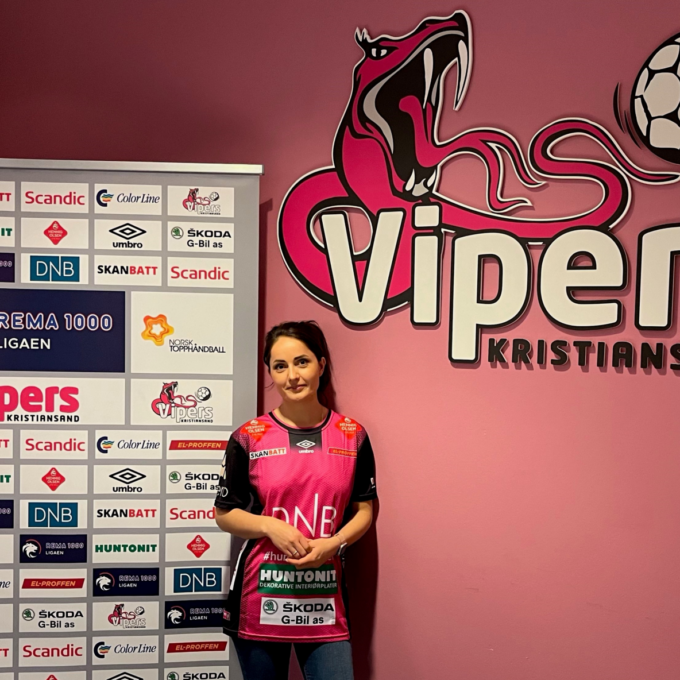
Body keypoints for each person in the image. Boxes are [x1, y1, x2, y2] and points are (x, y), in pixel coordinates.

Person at [214, 320, 377, 680]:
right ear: (270, 372)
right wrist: (270, 526)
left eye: (302, 362)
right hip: (260, 596)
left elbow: (365, 511)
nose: (292, 376)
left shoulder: (352, 435)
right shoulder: (249, 436)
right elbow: (224, 514)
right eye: (280, 366)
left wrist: (334, 543)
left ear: (321, 364)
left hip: (325, 599)